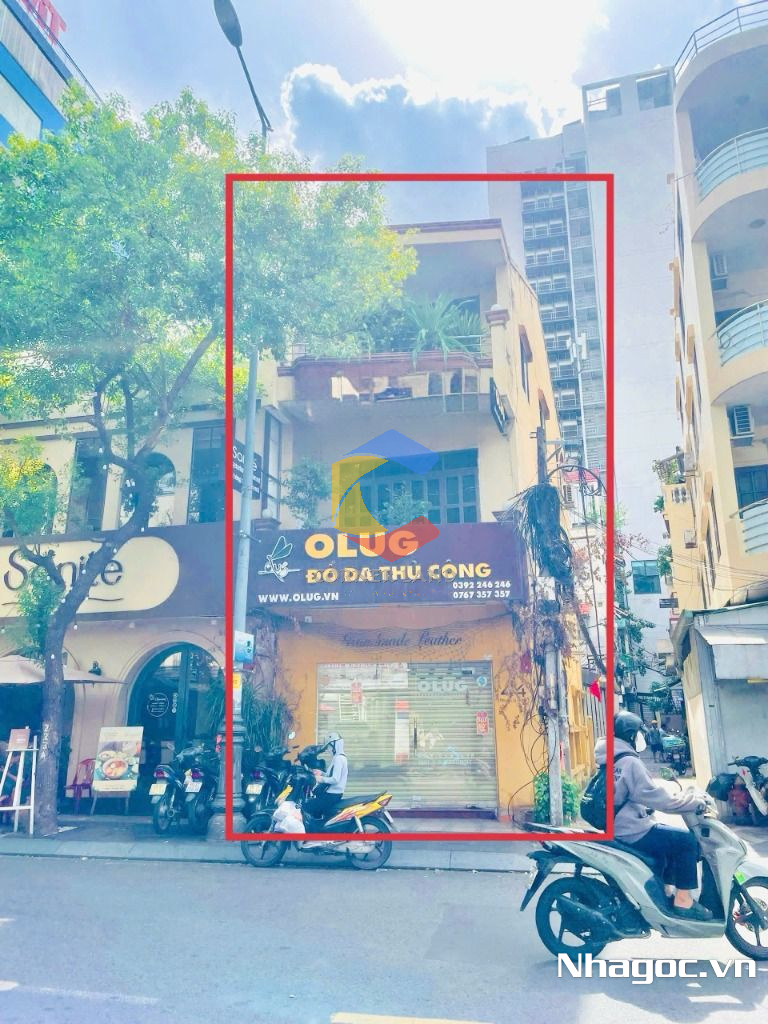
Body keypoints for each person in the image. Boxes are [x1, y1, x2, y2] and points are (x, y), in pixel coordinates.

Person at [595, 710, 712, 920]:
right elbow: (660, 800)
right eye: (639, 733)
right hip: (631, 830)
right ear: (631, 735)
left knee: (668, 840)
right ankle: (683, 901)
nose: (642, 737)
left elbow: (637, 792)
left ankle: (665, 891)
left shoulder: (611, 759)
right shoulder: (629, 762)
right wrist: (693, 802)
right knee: (685, 841)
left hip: (618, 826)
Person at [307, 733, 348, 822]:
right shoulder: (339, 757)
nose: (328, 750)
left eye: (329, 747)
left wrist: (320, 779)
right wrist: (321, 773)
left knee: (308, 806)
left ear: (335, 744)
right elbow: (331, 776)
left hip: (332, 795)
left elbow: (335, 779)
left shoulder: (339, 759)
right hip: (333, 794)